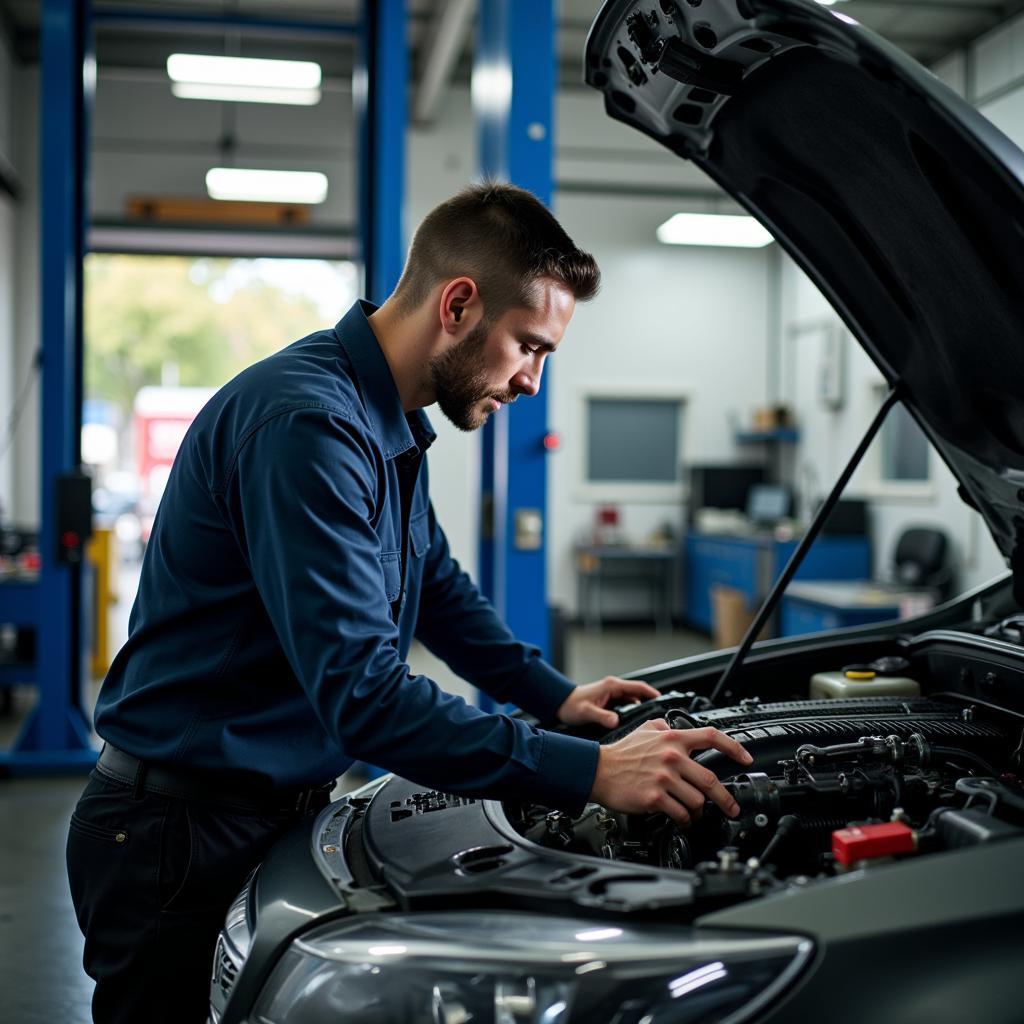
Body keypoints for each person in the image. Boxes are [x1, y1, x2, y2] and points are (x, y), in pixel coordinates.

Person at [66, 182, 752, 1024]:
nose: (533, 381)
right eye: (529, 346)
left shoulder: (383, 422)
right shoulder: (307, 427)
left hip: (254, 812)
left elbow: (435, 588)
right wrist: (591, 772)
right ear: (459, 304)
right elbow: (365, 697)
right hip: (176, 834)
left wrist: (555, 696)